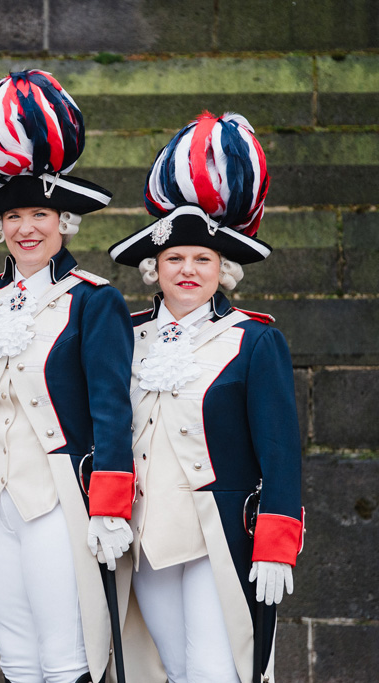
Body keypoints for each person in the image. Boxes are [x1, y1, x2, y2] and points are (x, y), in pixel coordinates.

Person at [0, 70, 136, 683]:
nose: (29, 228)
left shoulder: (94, 300)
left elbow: (112, 408)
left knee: (67, 654)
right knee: (16, 657)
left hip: (57, 495)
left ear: (64, 222)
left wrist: (110, 506)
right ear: (0, 226)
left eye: (42, 214)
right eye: (16, 216)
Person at [108, 112, 304, 683]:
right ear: (154, 268)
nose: (188, 270)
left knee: (218, 672)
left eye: (203, 259)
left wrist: (276, 541)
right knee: (167, 670)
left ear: (225, 268)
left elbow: (280, 451)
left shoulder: (256, 340)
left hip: (219, 533)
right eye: (175, 258)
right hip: (143, 535)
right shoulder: (126, 336)